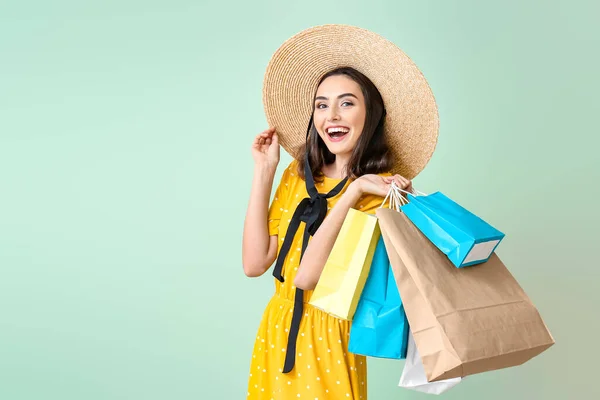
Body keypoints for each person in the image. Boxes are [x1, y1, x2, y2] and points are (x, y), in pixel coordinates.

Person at [242, 25, 439, 400]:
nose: (332, 114)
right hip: (277, 330)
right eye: (322, 104)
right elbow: (254, 263)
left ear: (372, 115)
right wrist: (264, 171)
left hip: (329, 340)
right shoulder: (298, 174)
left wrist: (353, 193)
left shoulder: (380, 193)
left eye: (347, 103)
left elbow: (307, 278)